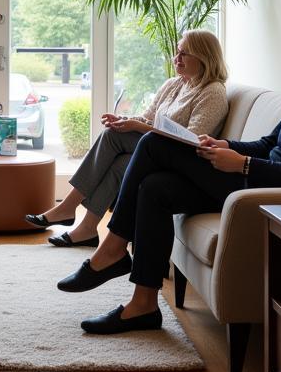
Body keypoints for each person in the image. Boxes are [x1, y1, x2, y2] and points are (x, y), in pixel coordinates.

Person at [58, 2, 281, 335]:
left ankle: (113, 249)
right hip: (255, 176)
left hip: (271, 194)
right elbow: (270, 143)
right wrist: (227, 147)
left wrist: (243, 164)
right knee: (155, 188)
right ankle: (143, 304)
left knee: (153, 144)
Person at [25, 30, 229, 248]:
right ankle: (87, 229)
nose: (176, 58)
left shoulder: (213, 92)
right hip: (155, 152)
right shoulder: (175, 84)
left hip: (183, 161)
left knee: (111, 136)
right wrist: (124, 120)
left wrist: (136, 127)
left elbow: (191, 141)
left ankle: (67, 207)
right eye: (177, 52)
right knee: (120, 162)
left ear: (204, 57)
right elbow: (148, 117)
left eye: (184, 54)